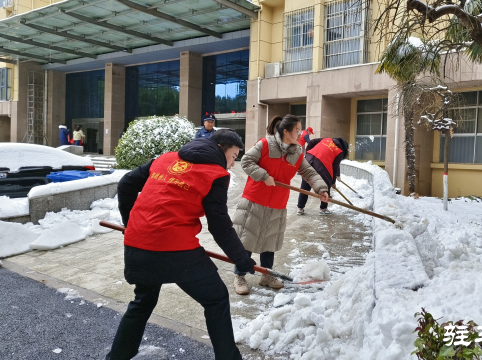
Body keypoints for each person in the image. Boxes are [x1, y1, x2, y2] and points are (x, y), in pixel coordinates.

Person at [105, 130, 256, 360]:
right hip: (175, 251)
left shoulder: (166, 159)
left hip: (137, 246)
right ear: (221, 148)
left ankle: (117, 357)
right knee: (216, 299)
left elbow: (126, 183)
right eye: (234, 156)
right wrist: (241, 259)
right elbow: (219, 227)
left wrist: (131, 224)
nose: (233, 164)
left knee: (143, 301)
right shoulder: (215, 174)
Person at [232, 115, 328, 295]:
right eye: (297, 130)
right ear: (286, 131)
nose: (300, 133)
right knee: (247, 239)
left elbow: (309, 172)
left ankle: (266, 275)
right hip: (255, 200)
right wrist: (263, 175)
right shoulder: (265, 145)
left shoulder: (296, 153)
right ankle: (240, 275)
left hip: (277, 203)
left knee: (270, 241)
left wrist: (321, 189)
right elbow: (246, 161)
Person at [297, 137, 349, 215]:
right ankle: (323, 209)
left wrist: (308, 154)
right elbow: (334, 167)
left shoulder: (326, 139)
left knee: (305, 185)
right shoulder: (340, 151)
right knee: (325, 185)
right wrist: (332, 182)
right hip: (321, 165)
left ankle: (300, 208)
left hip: (308, 160)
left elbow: (311, 142)